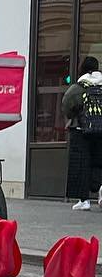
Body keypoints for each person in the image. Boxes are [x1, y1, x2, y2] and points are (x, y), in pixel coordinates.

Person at [63, 54, 102, 210]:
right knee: (99, 161)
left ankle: (84, 201)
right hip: (101, 131)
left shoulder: (78, 87)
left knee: (82, 164)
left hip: (81, 131)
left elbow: (67, 106)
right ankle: (100, 187)